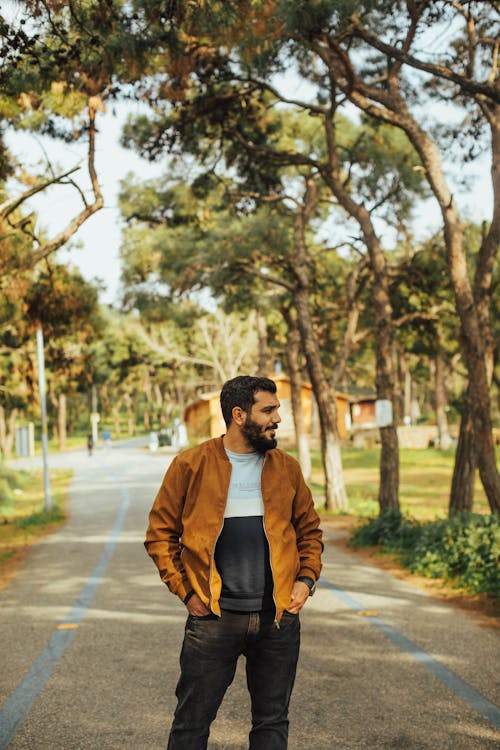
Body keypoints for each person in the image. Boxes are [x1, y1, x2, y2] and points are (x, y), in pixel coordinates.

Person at [144, 375, 323, 750]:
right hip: (213, 619)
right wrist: (187, 592)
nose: (278, 419)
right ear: (239, 415)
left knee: (272, 723)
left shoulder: (286, 468)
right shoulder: (191, 465)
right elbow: (160, 535)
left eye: (278, 410)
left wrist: (305, 581)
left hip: (277, 618)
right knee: (191, 724)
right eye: (268, 410)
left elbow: (309, 531)